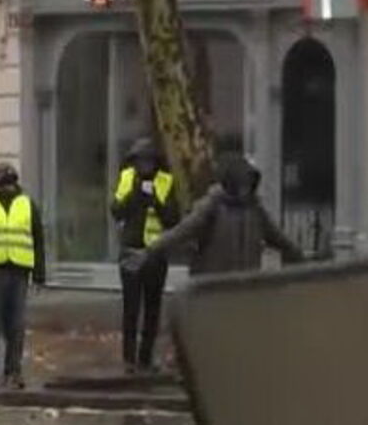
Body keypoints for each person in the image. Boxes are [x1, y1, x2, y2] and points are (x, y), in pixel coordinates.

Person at [126, 152, 304, 275]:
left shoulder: (255, 208)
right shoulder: (212, 206)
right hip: (213, 287)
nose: (245, 188)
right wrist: (149, 252)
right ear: (231, 181)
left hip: (246, 284)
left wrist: (299, 254)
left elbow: (278, 237)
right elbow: (181, 232)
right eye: (242, 182)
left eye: (249, 183)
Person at [0, 163, 46, 390]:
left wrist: (40, 274)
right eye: (3, 182)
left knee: (16, 325)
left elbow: (38, 239)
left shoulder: (27, 205)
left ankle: (13, 371)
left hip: (19, 270)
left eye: (10, 181)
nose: (7, 186)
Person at [111, 139, 180, 374]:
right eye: (140, 161)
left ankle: (146, 359)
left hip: (155, 253)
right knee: (131, 308)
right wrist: (135, 195)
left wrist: (156, 203)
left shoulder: (165, 181)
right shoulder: (127, 178)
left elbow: (173, 218)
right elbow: (116, 211)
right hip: (131, 250)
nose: (144, 166)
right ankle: (128, 360)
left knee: (152, 308)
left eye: (149, 161)